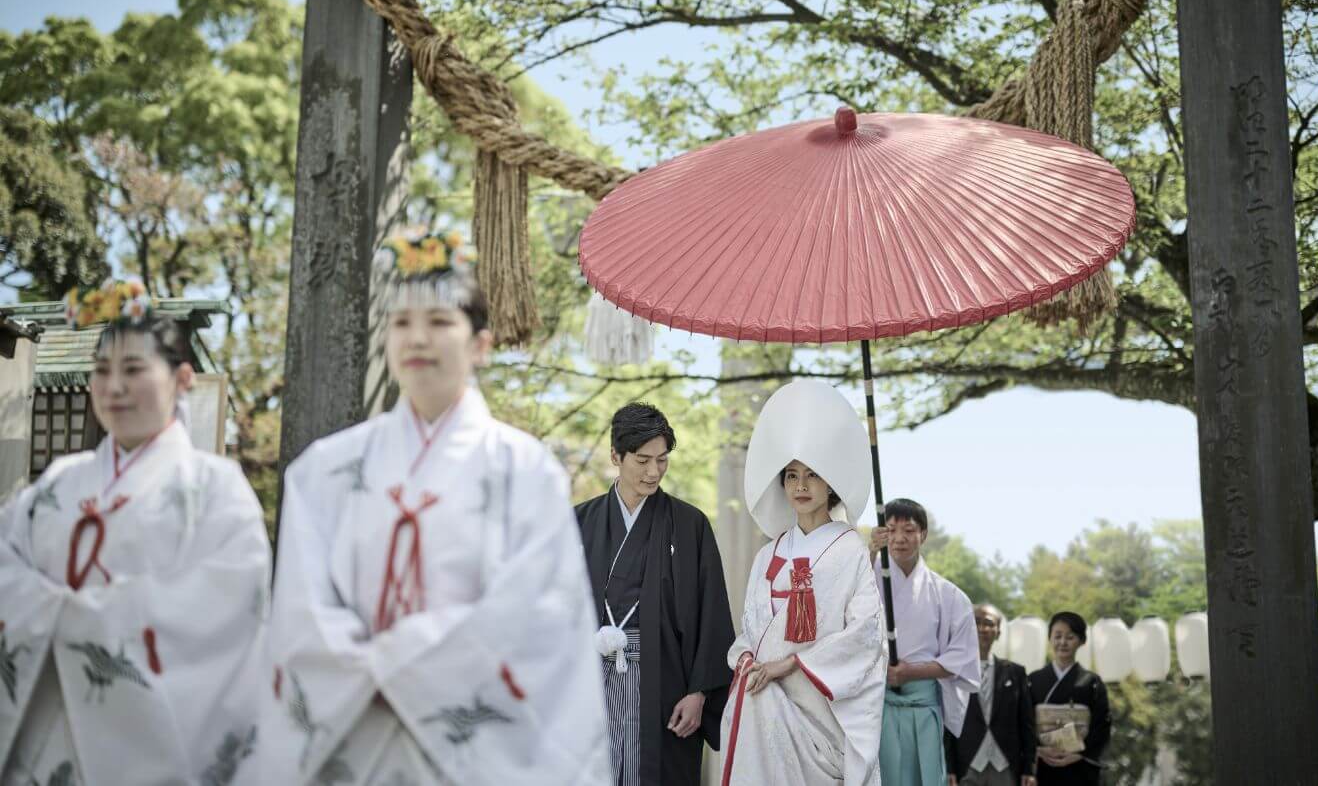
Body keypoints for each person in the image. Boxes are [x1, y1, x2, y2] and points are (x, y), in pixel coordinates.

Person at [258, 233, 609, 783]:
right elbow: (301, 608)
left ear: (479, 344)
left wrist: (395, 660)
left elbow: (538, 618)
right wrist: (370, 669)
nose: (417, 338)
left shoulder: (526, 471)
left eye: (440, 322)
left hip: (475, 754)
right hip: (356, 730)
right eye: (400, 323)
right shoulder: (324, 470)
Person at [0, 279, 270, 784]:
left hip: (149, 744)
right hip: (43, 732)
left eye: (133, 369)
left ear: (182, 378)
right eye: (102, 371)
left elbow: (226, 610)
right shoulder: (59, 482)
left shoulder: (216, 489)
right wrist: (55, 612)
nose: (114, 387)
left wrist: (75, 616)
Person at [719, 379, 886, 786]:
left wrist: (791, 663)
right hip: (767, 700)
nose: (801, 486)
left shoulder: (850, 551)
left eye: (812, 475)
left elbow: (865, 636)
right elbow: (752, 632)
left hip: (820, 706)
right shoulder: (768, 555)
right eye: (791, 475)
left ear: (830, 482)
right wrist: (746, 662)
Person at [575, 403, 734, 786]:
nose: (653, 472)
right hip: (589, 681)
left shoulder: (689, 524)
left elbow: (711, 614)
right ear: (616, 455)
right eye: (642, 460)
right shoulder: (579, 522)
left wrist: (700, 692)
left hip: (665, 684)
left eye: (662, 460)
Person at [870, 499, 980, 786]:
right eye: (891, 530)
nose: (899, 539)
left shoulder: (950, 596)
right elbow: (842, 616)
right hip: (878, 704)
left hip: (923, 703)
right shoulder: (867, 583)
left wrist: (911, 672)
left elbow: (962, 657)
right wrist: (868, 554)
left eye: (909, 530)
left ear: (924, 534)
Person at [944, 605, 1037, 786]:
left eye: (988, 623)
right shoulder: (954, 671)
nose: (981, 628)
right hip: (967, 763)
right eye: (976, 622)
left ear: (998, 632)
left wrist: (1029, 768)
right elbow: (949, 723)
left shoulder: (1016, 673)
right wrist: (949, 767)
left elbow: (1027, 724)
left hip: (1006, 764)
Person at [1027, 611, 1111, 785]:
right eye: (1057, 636)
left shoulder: (1092, 682)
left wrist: (1079, 754)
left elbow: (1101, 725)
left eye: (1070, 637)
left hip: (1078, 766)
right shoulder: (1033, 680)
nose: (1062, 642)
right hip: (1043, 763)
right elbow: (1024, 721)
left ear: (1081, 641)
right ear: (1050, 638)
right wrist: (1038, 748)